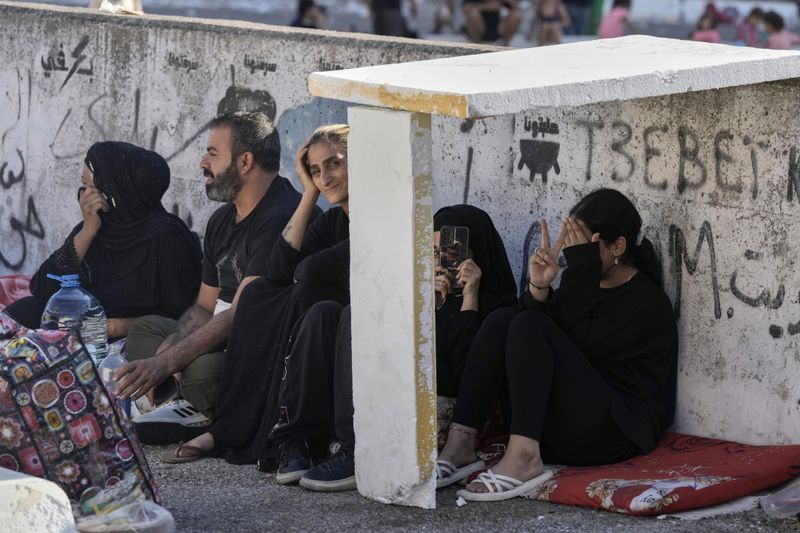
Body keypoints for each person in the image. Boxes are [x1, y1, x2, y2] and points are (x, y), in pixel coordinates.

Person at [436, 189, 678, 502]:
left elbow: (575, 345)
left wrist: (579, 270)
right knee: (503, 320)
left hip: (613, 433)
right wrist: (539, 287)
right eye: (572, 245)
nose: (574, 255)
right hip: (558, 428)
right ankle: (461, 446)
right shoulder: (584, 285)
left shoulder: (645, 301)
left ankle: (523, 458)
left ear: (618, 246)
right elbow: (529, 348)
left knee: (528, 323)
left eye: (584, 246)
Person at [269, 205, 517, 491]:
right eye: (433, 252)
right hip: (390, 384)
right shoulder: (427, 294)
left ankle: (355, 450)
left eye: (453, 252)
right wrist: (420, 300)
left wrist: (469, 300)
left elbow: (463, 375)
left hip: (428, 401)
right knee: (324, 312)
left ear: (477, 253)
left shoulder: (496, 310)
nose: (443, 261)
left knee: (353, 313)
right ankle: (296, 438)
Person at [157, 124, 351, 465]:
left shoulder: (381, 221)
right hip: (303, 330)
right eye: (316, 171)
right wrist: (309, 194)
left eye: (334, 164)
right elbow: (279, 268)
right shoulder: (334, 219)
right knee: (260, 292)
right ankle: (230, 427)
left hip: (339, 334)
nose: (326, 178)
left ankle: (270, 433)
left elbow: (305, 272)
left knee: (299, 301)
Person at [114, 112, 309, 444]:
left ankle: (197, 404)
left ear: (245, 161)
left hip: (258, 347)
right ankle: (186, 396)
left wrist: (167, 362)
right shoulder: (222, 220)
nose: (202, 163)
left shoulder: (281, 216)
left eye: (212, 154)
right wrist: (171, 346)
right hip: (216, 337)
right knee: (146, 330)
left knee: (204, 371)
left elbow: (242, 314)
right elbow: (205, 305)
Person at [5, 142, 200, 341]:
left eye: (93, 187)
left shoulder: (166, 237)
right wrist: (88, 231)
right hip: (79, 327)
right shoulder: (98, 224)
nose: (85, 196)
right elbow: (42, 288)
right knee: (23, 312)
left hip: (131, 340)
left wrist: (114, 327)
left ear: (117, 189)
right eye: (85, 186)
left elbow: (183, 315)